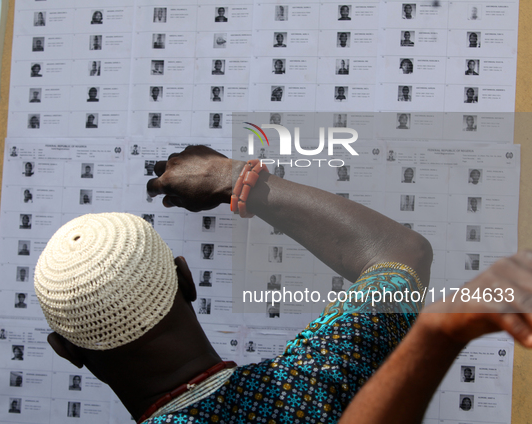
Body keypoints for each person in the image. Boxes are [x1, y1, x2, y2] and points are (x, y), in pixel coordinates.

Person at [35, 145, 532, 424]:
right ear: (186, 279)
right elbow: (401, 257)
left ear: (67, 353)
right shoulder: (306, 383)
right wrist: (232, 177)